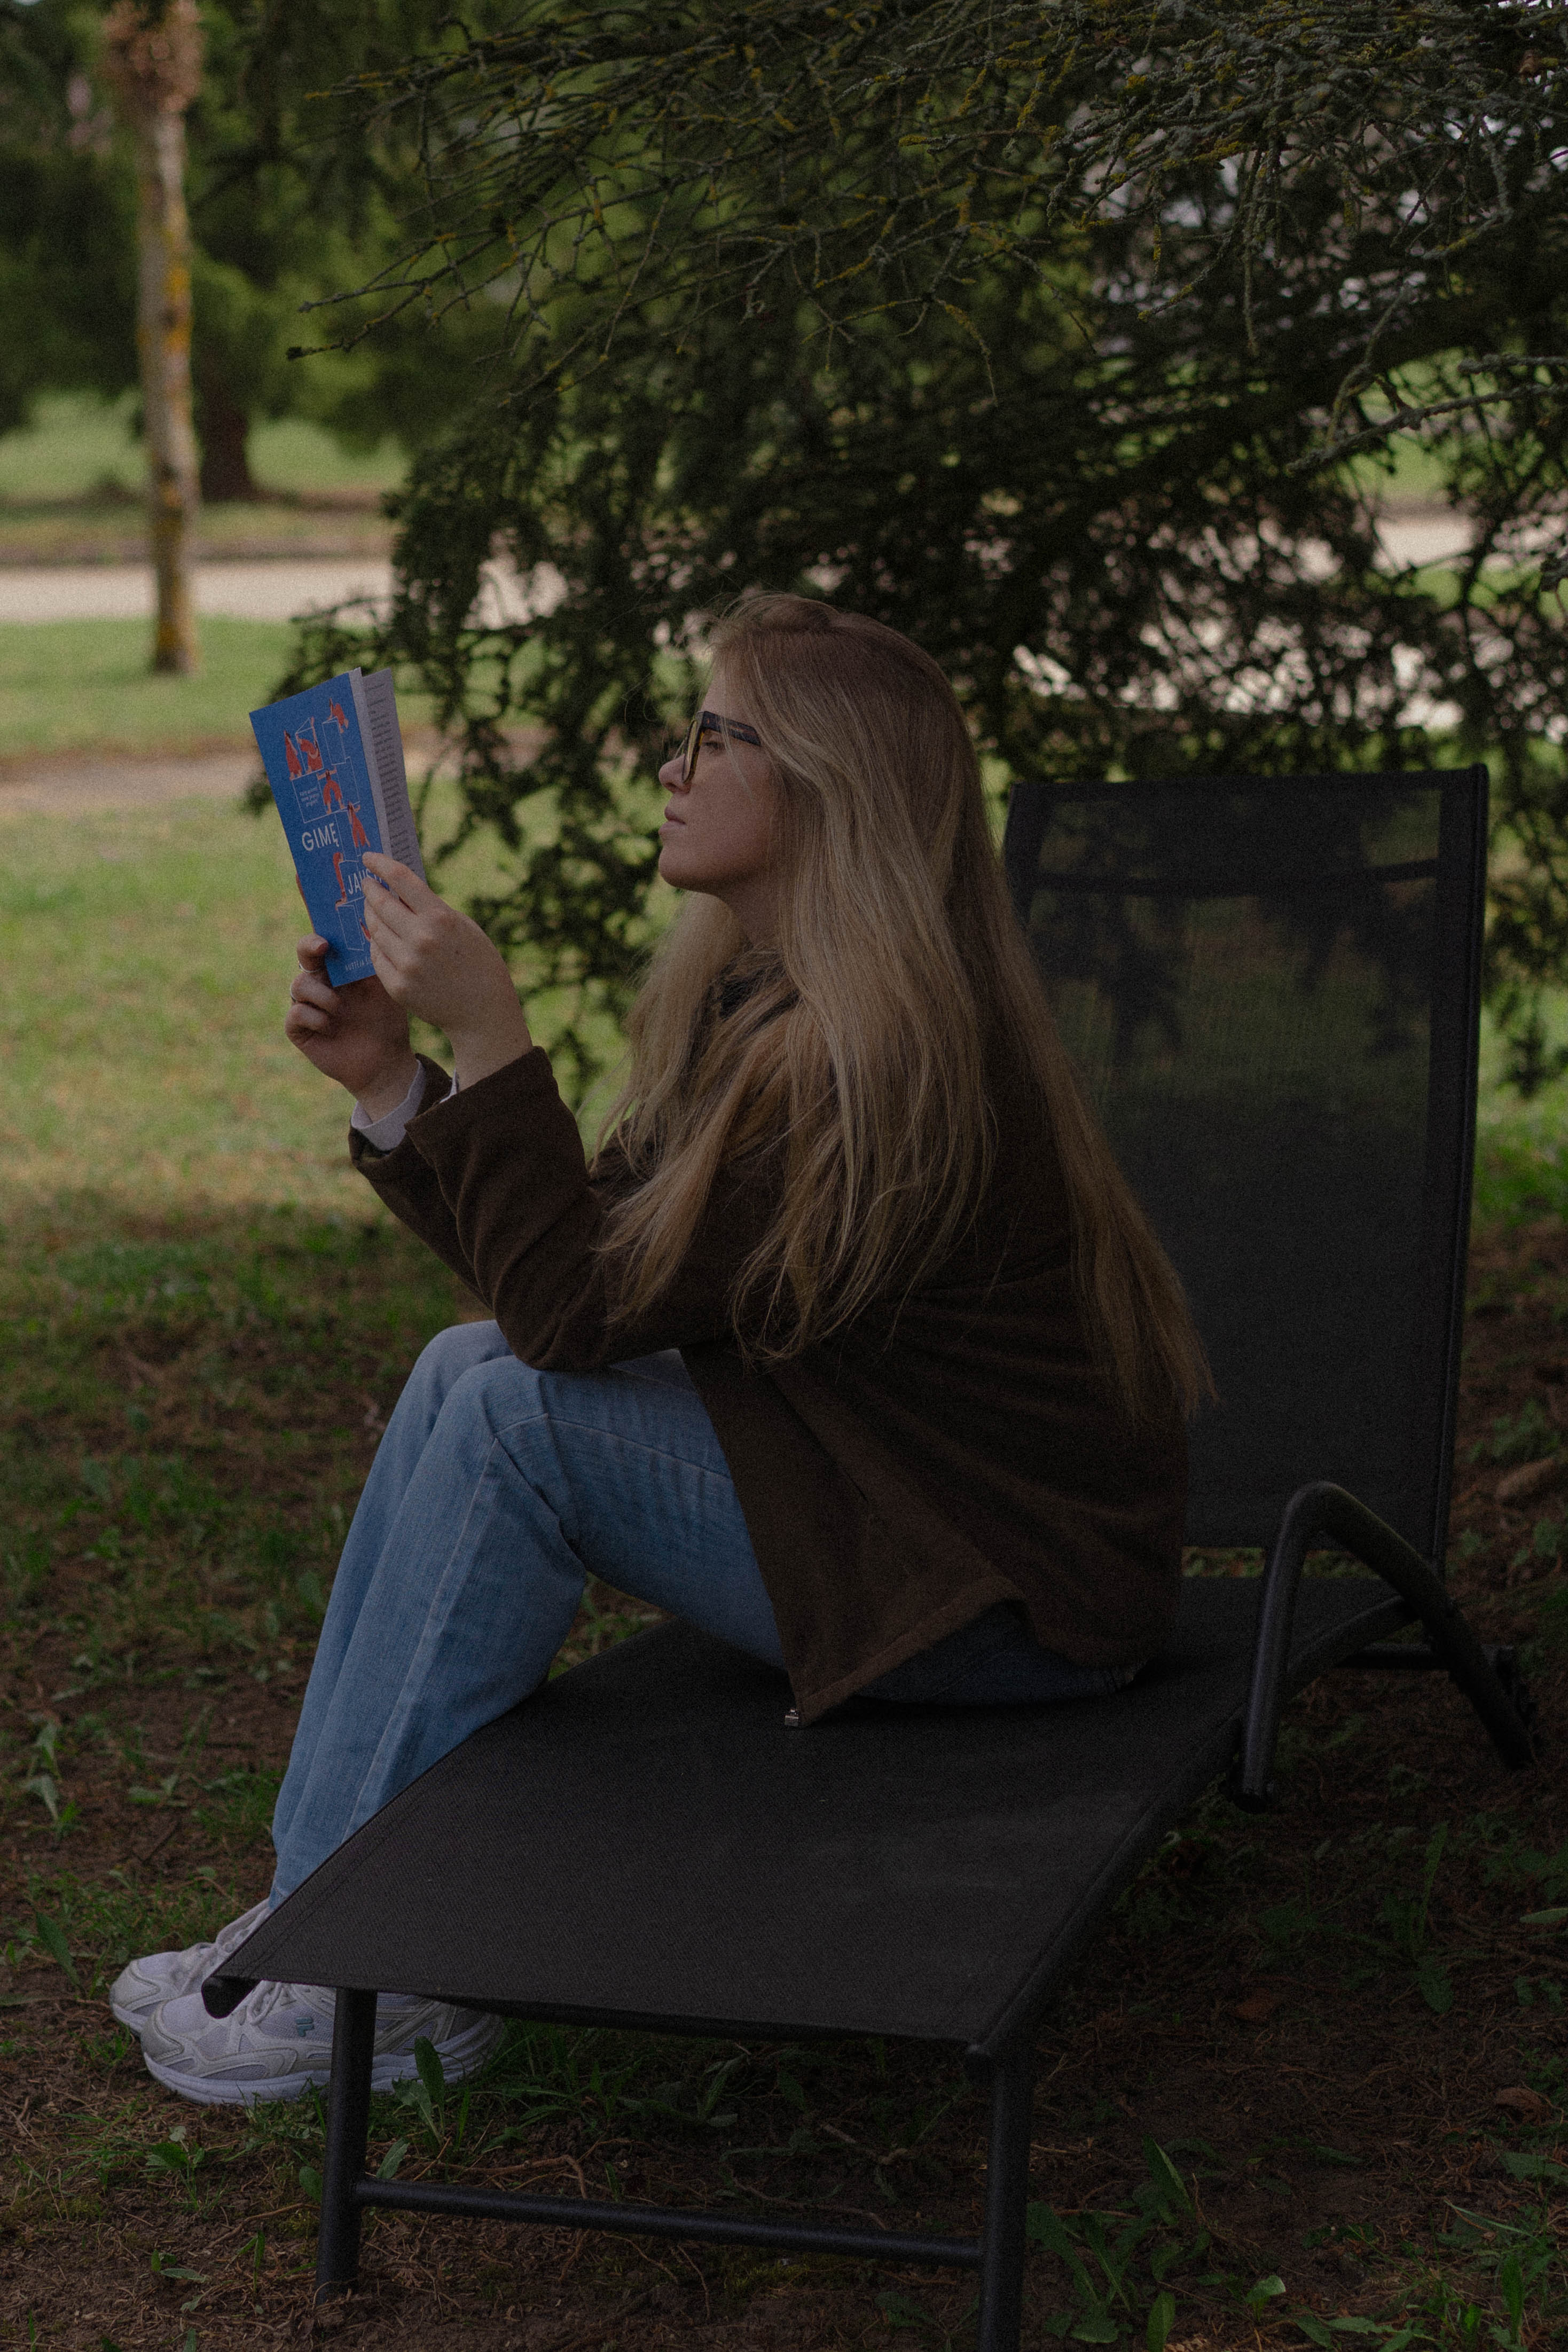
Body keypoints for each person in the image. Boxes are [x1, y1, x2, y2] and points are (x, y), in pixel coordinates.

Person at [112, 593, 1205, 2106]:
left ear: (822, 787)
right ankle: (326, 1910)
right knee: (462, 1373)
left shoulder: (869, 1059)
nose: (674, 767)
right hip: (885, 1510)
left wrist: (492, 1036)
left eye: (716, 735)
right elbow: (580, 1289)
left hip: (993, 1599)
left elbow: (568, 1325)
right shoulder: (769, 1002)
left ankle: (375, 1963)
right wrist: (394, 1089)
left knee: (509, 1419)